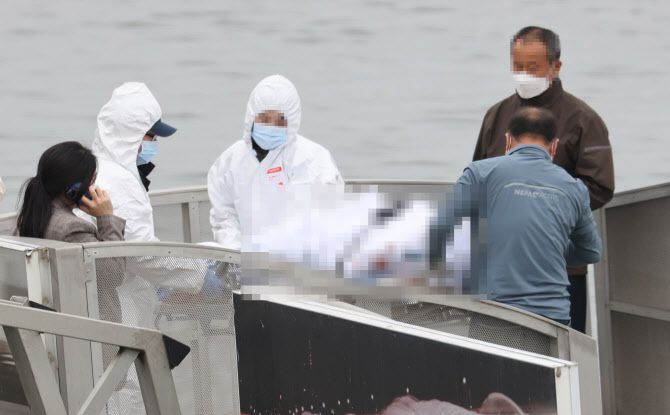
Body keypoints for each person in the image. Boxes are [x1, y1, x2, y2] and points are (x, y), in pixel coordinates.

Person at [472, 26, 614, 332]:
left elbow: (600, 186)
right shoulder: (496, 115)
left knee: (560, 351)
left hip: (559, 269)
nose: (524, 74)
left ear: (555, 66)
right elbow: (478, 176)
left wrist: (542, 206)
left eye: (533, 67)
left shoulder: (583, 119)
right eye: (518, 66)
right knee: (491, 347)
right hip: (498, 269)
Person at [432, 107, 602, 325]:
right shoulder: (574, 187)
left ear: (508, 140)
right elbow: (591, 251)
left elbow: (439, 231)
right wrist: (549, 250)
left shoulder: (479, 173)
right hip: (553, 321)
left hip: (494, 315)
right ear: (554, 146)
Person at [208, 74, 343, 250]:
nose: (270, 126)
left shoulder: (314, 160)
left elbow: (326, 216)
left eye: (279, 120)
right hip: (244, 259)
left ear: (291, 122)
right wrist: (236, 252)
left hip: (300, 258)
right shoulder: (230, 162)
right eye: (265, 119)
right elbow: (224, 217)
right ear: (252, 116)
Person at [91, 82, 176, 242]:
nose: (155, 142)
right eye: (152, 136)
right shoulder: (123, 182)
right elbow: (142, 250)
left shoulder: (95, 167)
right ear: (132, 134)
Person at [16, 141, 124, 243]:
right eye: (92, 180)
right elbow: (115, 257)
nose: (93, 187)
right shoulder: (74, 228)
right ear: (74, 188)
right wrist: (106, 217)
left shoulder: (28, 217)